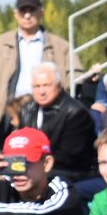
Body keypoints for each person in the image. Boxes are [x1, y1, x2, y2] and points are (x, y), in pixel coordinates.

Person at [0, 0, 71, 149]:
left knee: (41, 161)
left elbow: (74, 76)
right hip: (8, 116)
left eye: (32, 10)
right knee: (7, 164)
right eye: (23, 11)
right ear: (15, 14)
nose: (28, 15)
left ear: (41, 12)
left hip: (46, 113)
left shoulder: (59, 45)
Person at [20, 62, 102, 200]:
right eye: (37, 86)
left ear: (59, 86)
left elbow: (68, 158)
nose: (41, 91)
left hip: (73, 172)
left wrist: (35, 166)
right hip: (36, 167)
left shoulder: (76, 112)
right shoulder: (27, 109)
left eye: (46, 85)